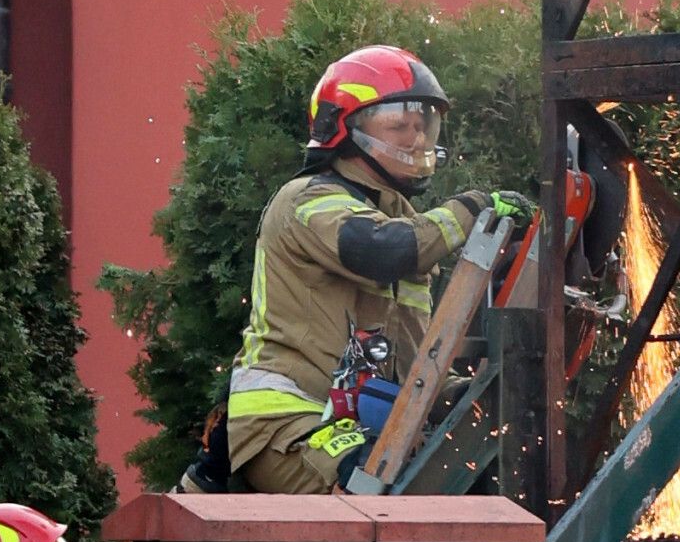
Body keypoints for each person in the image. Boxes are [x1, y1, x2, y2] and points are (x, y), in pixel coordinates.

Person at [190, 44, 532, 494]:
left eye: (421, 125)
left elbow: (410, 356)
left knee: (455, 481)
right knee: (372, 486)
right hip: (290, 422)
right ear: (344, 129)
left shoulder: (404, 220)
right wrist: (472, 209)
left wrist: (466, 396)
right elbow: (380, 249)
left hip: (354, 425)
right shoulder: (307, 200)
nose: (416, 139)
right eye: (398, 125)